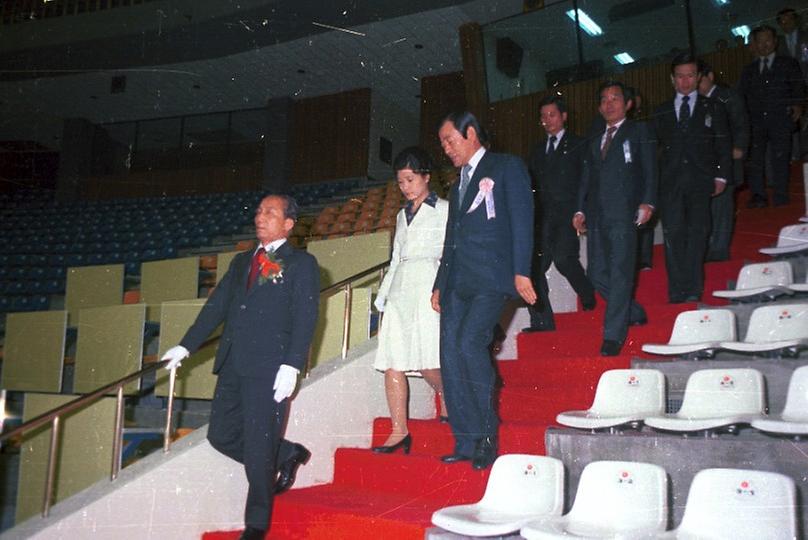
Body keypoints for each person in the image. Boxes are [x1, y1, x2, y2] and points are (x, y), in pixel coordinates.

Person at [161, 194, 319, 540]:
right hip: (233, 363)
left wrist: (292, 365)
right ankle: (286, 453)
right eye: (259, 211)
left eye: (270, 212)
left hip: (270, 368)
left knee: (259, 447)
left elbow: (306, 318)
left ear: (289, 224)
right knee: (220, 434)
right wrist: (186, 345)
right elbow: (216, 307)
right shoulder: (240, 262)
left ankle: (256, 525)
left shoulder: (301, 263)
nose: (260, 217)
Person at [432, 111, 536, 470]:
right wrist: (439, 284)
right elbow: (451, 238)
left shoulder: (507, 166)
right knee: (449, 354)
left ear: (471, 133)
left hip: (491, 279)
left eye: (450, 140)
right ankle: (465, 439)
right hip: (458, 282)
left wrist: (522, 271)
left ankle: (488, 435)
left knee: (468, 344)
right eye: (443, 143)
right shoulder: (456, 183)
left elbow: (523, 220)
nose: (446, 149)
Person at [372, 147, 449, 453]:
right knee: (393, 361)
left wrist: (442, 288)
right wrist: (383, 297)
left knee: (429, 361)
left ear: (426, 177)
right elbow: (395, 259)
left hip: (429, 286)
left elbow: (450, 254)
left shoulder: (444, 209)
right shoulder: (401, 215)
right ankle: (398, 430)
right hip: (400, 291)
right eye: (401, 181)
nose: (405, 187)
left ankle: (450, 396)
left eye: (410, 179)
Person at [574, 82, 657, 357]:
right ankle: (633, 311)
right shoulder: (596, 136)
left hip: (625, 213)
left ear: (628, 103)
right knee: (596, 274)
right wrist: (580, 209)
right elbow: (586, 177)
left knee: (621, 274)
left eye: (615, 98)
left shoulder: (639, 131)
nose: (609, 104)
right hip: (597, 215)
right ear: (599, 107)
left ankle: (613, 335)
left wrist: (648, 201)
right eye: (604, 100)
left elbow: (650, 169)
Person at [653, 52, 732, 304]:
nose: (685, 81)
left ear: (698, 78)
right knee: (674, 236)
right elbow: (655, 150)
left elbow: (723, 144)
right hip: (670, 183)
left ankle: (693, 289)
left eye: (690, 76)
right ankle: (676, 290)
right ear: (672, 79)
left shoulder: (714, 107)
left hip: (701, 181)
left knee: (698, 234)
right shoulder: (661, 111)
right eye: (680, 76)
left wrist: (721, 175)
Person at [524, 95, 595, 333]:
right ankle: (542, 321)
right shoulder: (536, 151)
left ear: (564, 116)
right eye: (543, 116)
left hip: (567, 214)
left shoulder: (579, 143)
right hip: (541, 218)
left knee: (565, 261)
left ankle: (587, 295)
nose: (547, 120)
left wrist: (581, 210)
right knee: (533, 269)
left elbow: (586, 181)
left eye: (552, 115)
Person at [739, 25, 805, 208]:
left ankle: (780, 194)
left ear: (775, 42)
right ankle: (758, 195)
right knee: (756, 160)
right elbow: (742, 96)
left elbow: (798, 87)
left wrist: (798, 105)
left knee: (781, 158)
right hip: (756, 121)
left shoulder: (788, 63)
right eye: (759, 41)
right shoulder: (749, 70)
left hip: (781, 119)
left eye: (767, 40)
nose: (763, 45)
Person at [698, 60, 750, 262]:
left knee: (722, 205)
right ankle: (710, 246)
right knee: (709, 206)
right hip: (706, 162)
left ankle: (719, 249)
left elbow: (742, 124)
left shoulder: (728, 97)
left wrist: (740, 148)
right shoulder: (696, 101)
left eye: (699, 79)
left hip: (727, 158)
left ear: (710, 76)